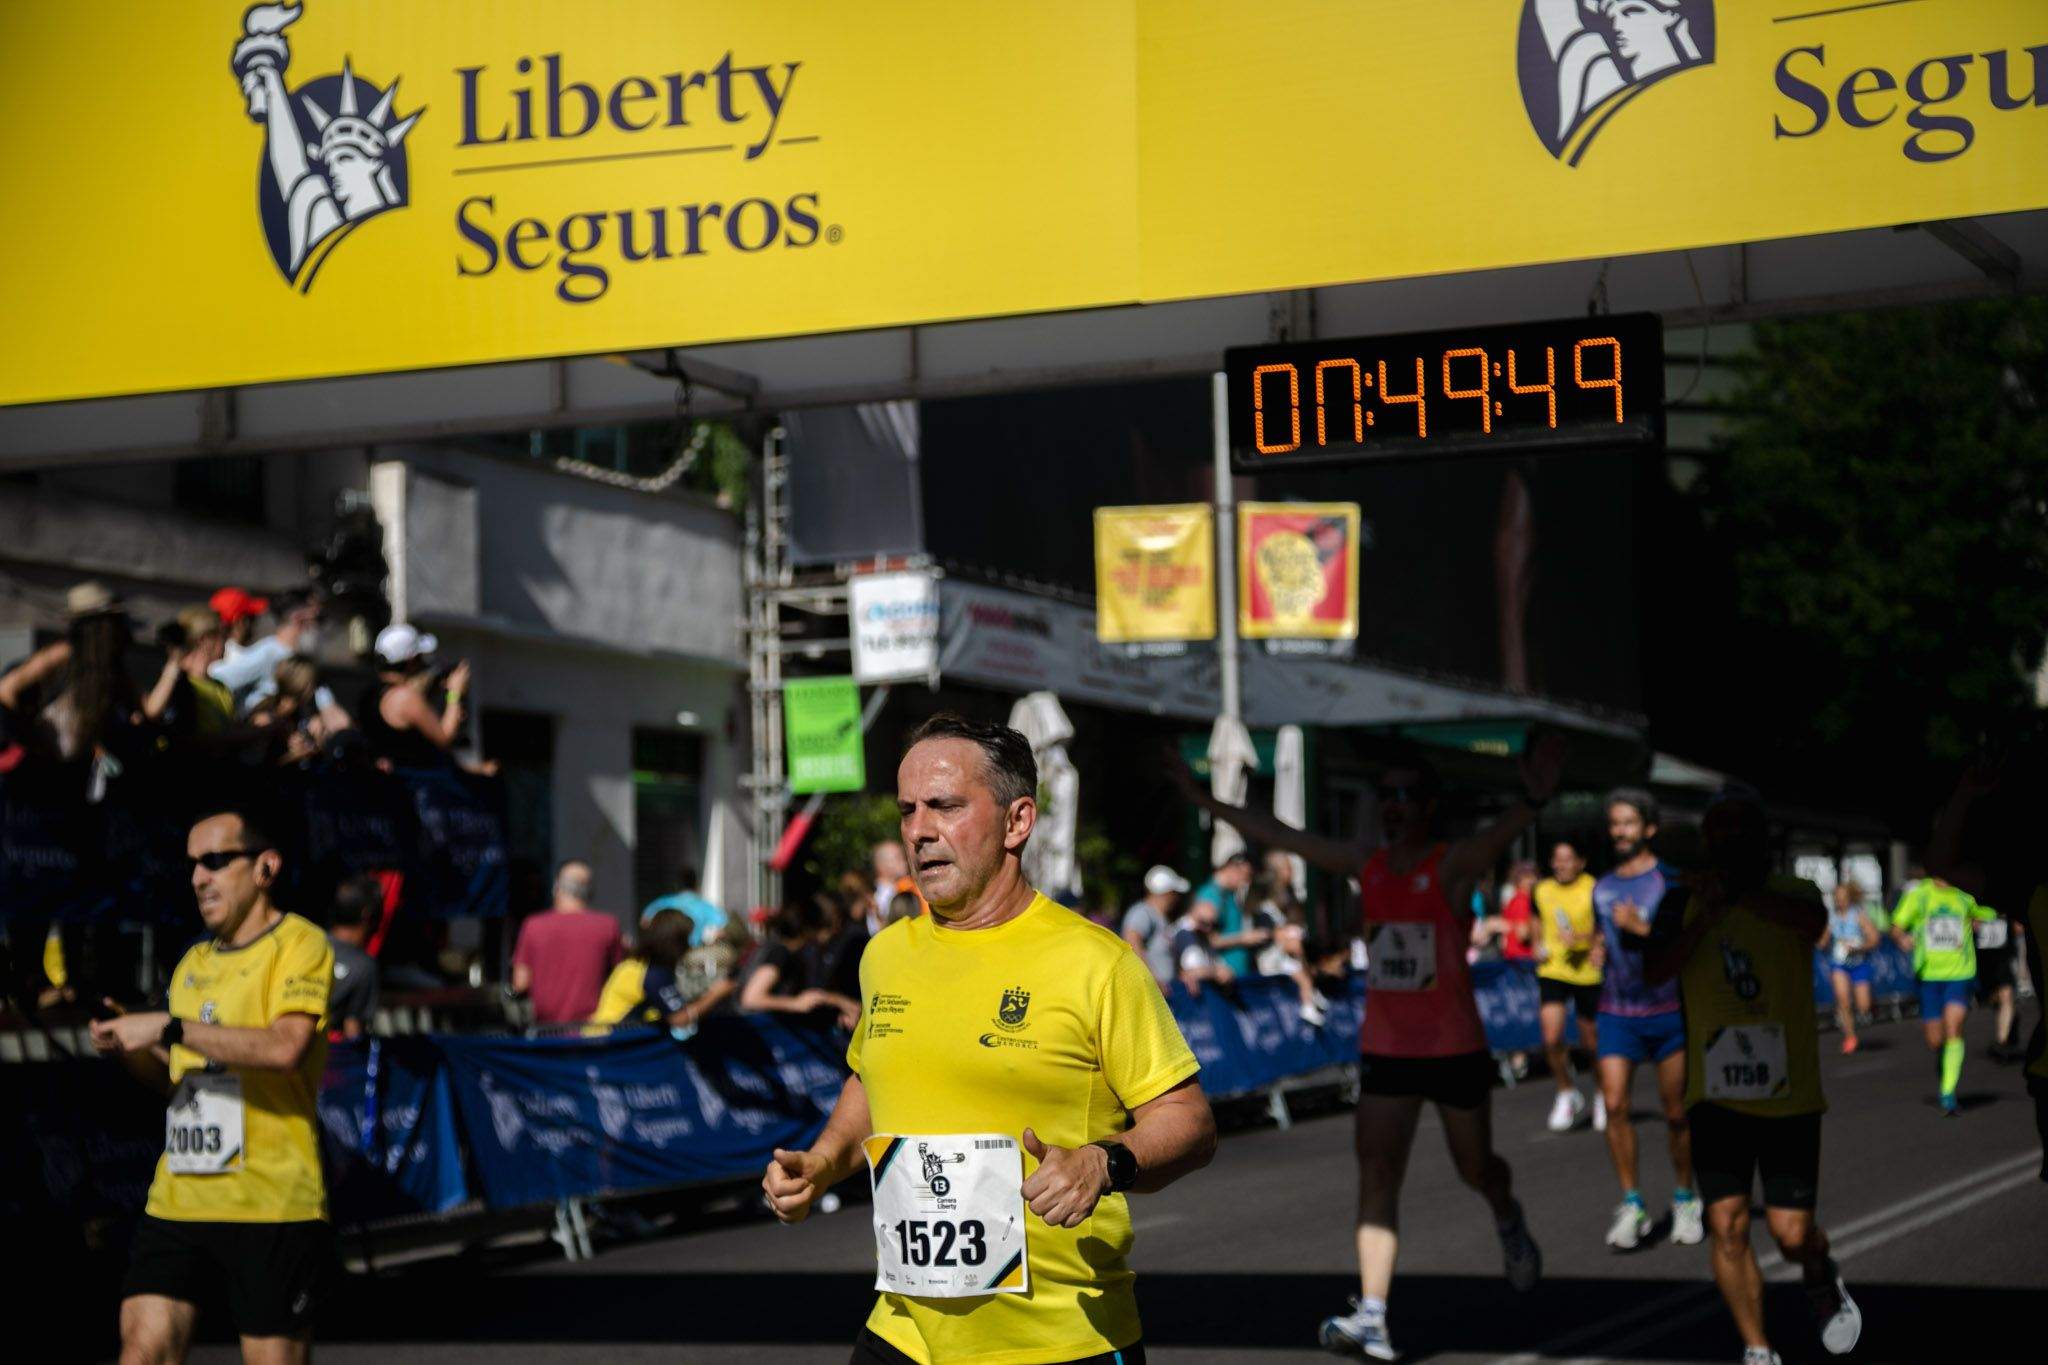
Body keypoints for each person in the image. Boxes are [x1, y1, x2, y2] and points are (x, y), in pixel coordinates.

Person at [762, 713, 1215, 1365]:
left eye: (944, 805)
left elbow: (1189, 1119)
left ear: (1018, 820)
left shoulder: (1096, 962)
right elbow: (871, 1073)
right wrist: (827, 1156)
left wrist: (1101, 1161)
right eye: (908, 809)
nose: (920, 829)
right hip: (903, 1329)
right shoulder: (885, 954)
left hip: (1058, 1339)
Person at [1177, 741, 1551, 1361]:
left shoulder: (1450, 864)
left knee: (1475, 1168)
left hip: (1453, 1047)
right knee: (1377, 1173)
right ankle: (1373, 1315)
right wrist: (1204, 801)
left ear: (1428, 807)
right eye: (1387, 796)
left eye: (1407, 795)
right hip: (1388, 1049)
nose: (1395, 806)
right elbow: (1284, 835)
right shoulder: (1367, 864)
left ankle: (1507, 1216)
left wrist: (1535, 798)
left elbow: (1495, 840)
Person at [90, 807, 335, 1364]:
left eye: (216, 861)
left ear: (265, 867)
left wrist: (169, 1026)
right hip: (180, 1197)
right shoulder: (192, 963)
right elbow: (175, 1082)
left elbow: (285, 1047)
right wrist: (130, 1047)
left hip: (270, 1203)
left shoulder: (300, 945)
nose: (199, 877)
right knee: (142, 1351)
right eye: (193, 865)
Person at [1640, 787, 1860, 1365]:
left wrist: (1735, 896)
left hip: (1788, 1096)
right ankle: (1757, 1348)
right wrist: (1706, 911)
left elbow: (1809, 925)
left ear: (1763, 840)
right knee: (1728, 1225)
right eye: (1720, 828)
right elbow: (1655, 971)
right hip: (1715, 1094)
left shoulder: (1795, 891)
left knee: (1790, 1235)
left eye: (1742, 828)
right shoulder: (1679, 902)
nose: (1730, 838)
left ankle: (1819, 1272)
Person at [1593, 787, 1702, 1251]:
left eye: (1628, 823)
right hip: (1617, 1012)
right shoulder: (1602, 887)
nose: (1619, 831)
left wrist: (1644, 930)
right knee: (1616, 1105)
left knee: (1676, 1113)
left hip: (1668, 1012)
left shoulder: (1670, 882)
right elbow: (1603, 941)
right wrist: (1598, 950)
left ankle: (1684, 1199)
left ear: (1649, 829)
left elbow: (1685, 942)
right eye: (1614, 823)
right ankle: (1632, 1203)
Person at [0, 581, 142, 767]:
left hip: (72, 772)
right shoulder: (64, 653)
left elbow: (144, 707)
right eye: (114, 621)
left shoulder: (109, 668)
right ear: (99, 626)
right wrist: (32, 743)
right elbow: (5, 691)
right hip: (39, 769)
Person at [1891, 874, 1997, 1115]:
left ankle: (1948, 1093)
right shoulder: (1919, 895)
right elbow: (1896, 927)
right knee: (1935, 1040)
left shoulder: (1964, 895)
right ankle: (1945, 1063)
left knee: (1954, 1026)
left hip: (1960, 974)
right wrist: (1903, 938)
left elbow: (1988, 912)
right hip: (1929, 976)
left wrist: (1984, 918)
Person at [1534, 838, 1605, 1132]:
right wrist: (1537, 942)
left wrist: (1585, 941)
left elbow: (1604, 930)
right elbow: (1535, 918)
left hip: (1587, 973)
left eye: (1567, 859)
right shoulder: (1542, 889)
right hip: (1553, 969)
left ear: (1581, 862)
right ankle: (1567, 1092)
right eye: (1557, 859)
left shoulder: (1594, 888)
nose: (1561, 865)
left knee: (1591, 1043)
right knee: (1551, 1037)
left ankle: (1602, 1093)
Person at [510, 860, 625, 1026]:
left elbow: (520, 983)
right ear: (590, 891)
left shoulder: (533, 925)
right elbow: (620, 976)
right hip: (593, 1029)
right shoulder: (608, 925)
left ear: (556, 887)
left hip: (546, 1030)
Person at [591, 907, 739, 1035]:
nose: (688, 947)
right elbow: (680, 1018)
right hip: (612, 1046)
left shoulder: (635, 964)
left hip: (611, 1041)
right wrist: (717, 993)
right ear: (674, 943)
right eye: (686, 940)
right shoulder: (652, 973)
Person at [739, 895, 861, 1028]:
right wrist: (795, 1003)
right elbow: (752, 998)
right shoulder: (780, 953)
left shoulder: (774, 947)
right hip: (753, 1032)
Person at [359, 623, 470, 768]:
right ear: (412, 660)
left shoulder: (372, 694)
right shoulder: (404, 697)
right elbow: (444, 737)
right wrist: (454, 693)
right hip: (413, 781)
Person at [208, 588, 327, 716]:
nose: (323, 627)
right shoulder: (269, 654)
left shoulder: (297, 658)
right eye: (319, 619)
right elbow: (217, 677)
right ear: (299, 619)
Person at [141, 605, 237, 741]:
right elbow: (152, 710)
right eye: (223, 635)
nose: (227, 640)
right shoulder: (173, 681)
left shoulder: (221, 688)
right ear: (205, 640)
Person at [1818, 882, 1878, 1056]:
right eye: (1837, 899)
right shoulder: (1832, 918)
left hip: (1859, 964)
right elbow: (1823, 940)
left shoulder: (1858, 916)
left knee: (1863, 1007)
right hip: (1839, 964)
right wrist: (1819, 941)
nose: (1840, 902)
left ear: (1849, 899)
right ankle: (1850, 1037)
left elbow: (1874, 939)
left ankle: (1870, 1006)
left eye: (1843, 898)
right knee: (1843, 1001)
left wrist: (1858, 947)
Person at [1191, 850, 1267, 978]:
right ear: (1232, 868)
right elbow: (1208, 940)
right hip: (1221, 979)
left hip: (1237, 977)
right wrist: (1245, 938)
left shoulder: (1230, 895)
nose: (1247, 882)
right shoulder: (1210, 895)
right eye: (1246, 875)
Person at [327, 876, 382, 1041]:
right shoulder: (364, 966)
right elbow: (353, 1031)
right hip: (327, 1058)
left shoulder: (307, 944)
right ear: (367, 914)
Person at [1122, 864, 1189, 986]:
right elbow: (1132, 942)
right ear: (1166, 893)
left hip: (1167, 988)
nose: (1177, 898)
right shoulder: (1142, 912)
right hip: (1153, 990)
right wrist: (1153, 980)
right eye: (1174, 893)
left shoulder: (1160, 917)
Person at [639, 863, 731, 946]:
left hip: (669, 954)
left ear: (677, 885)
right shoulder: (706, 907)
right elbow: (725, 927)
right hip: (694, 955)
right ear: (696, 884)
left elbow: (644, 922)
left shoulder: (665, 902)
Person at [1171, 892, 1235, 998]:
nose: (1209, 928)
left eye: (1213, 924)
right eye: (1204, 923)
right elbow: (1193, 971)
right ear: (1192, 914)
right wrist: (1216, 971)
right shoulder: (1184, 934)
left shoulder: (1202, 935)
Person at [871, 839, 916, 932]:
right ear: (882, 866)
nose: (905, 861)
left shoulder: (901, 887)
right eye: (898, 857)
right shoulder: (881, 898)